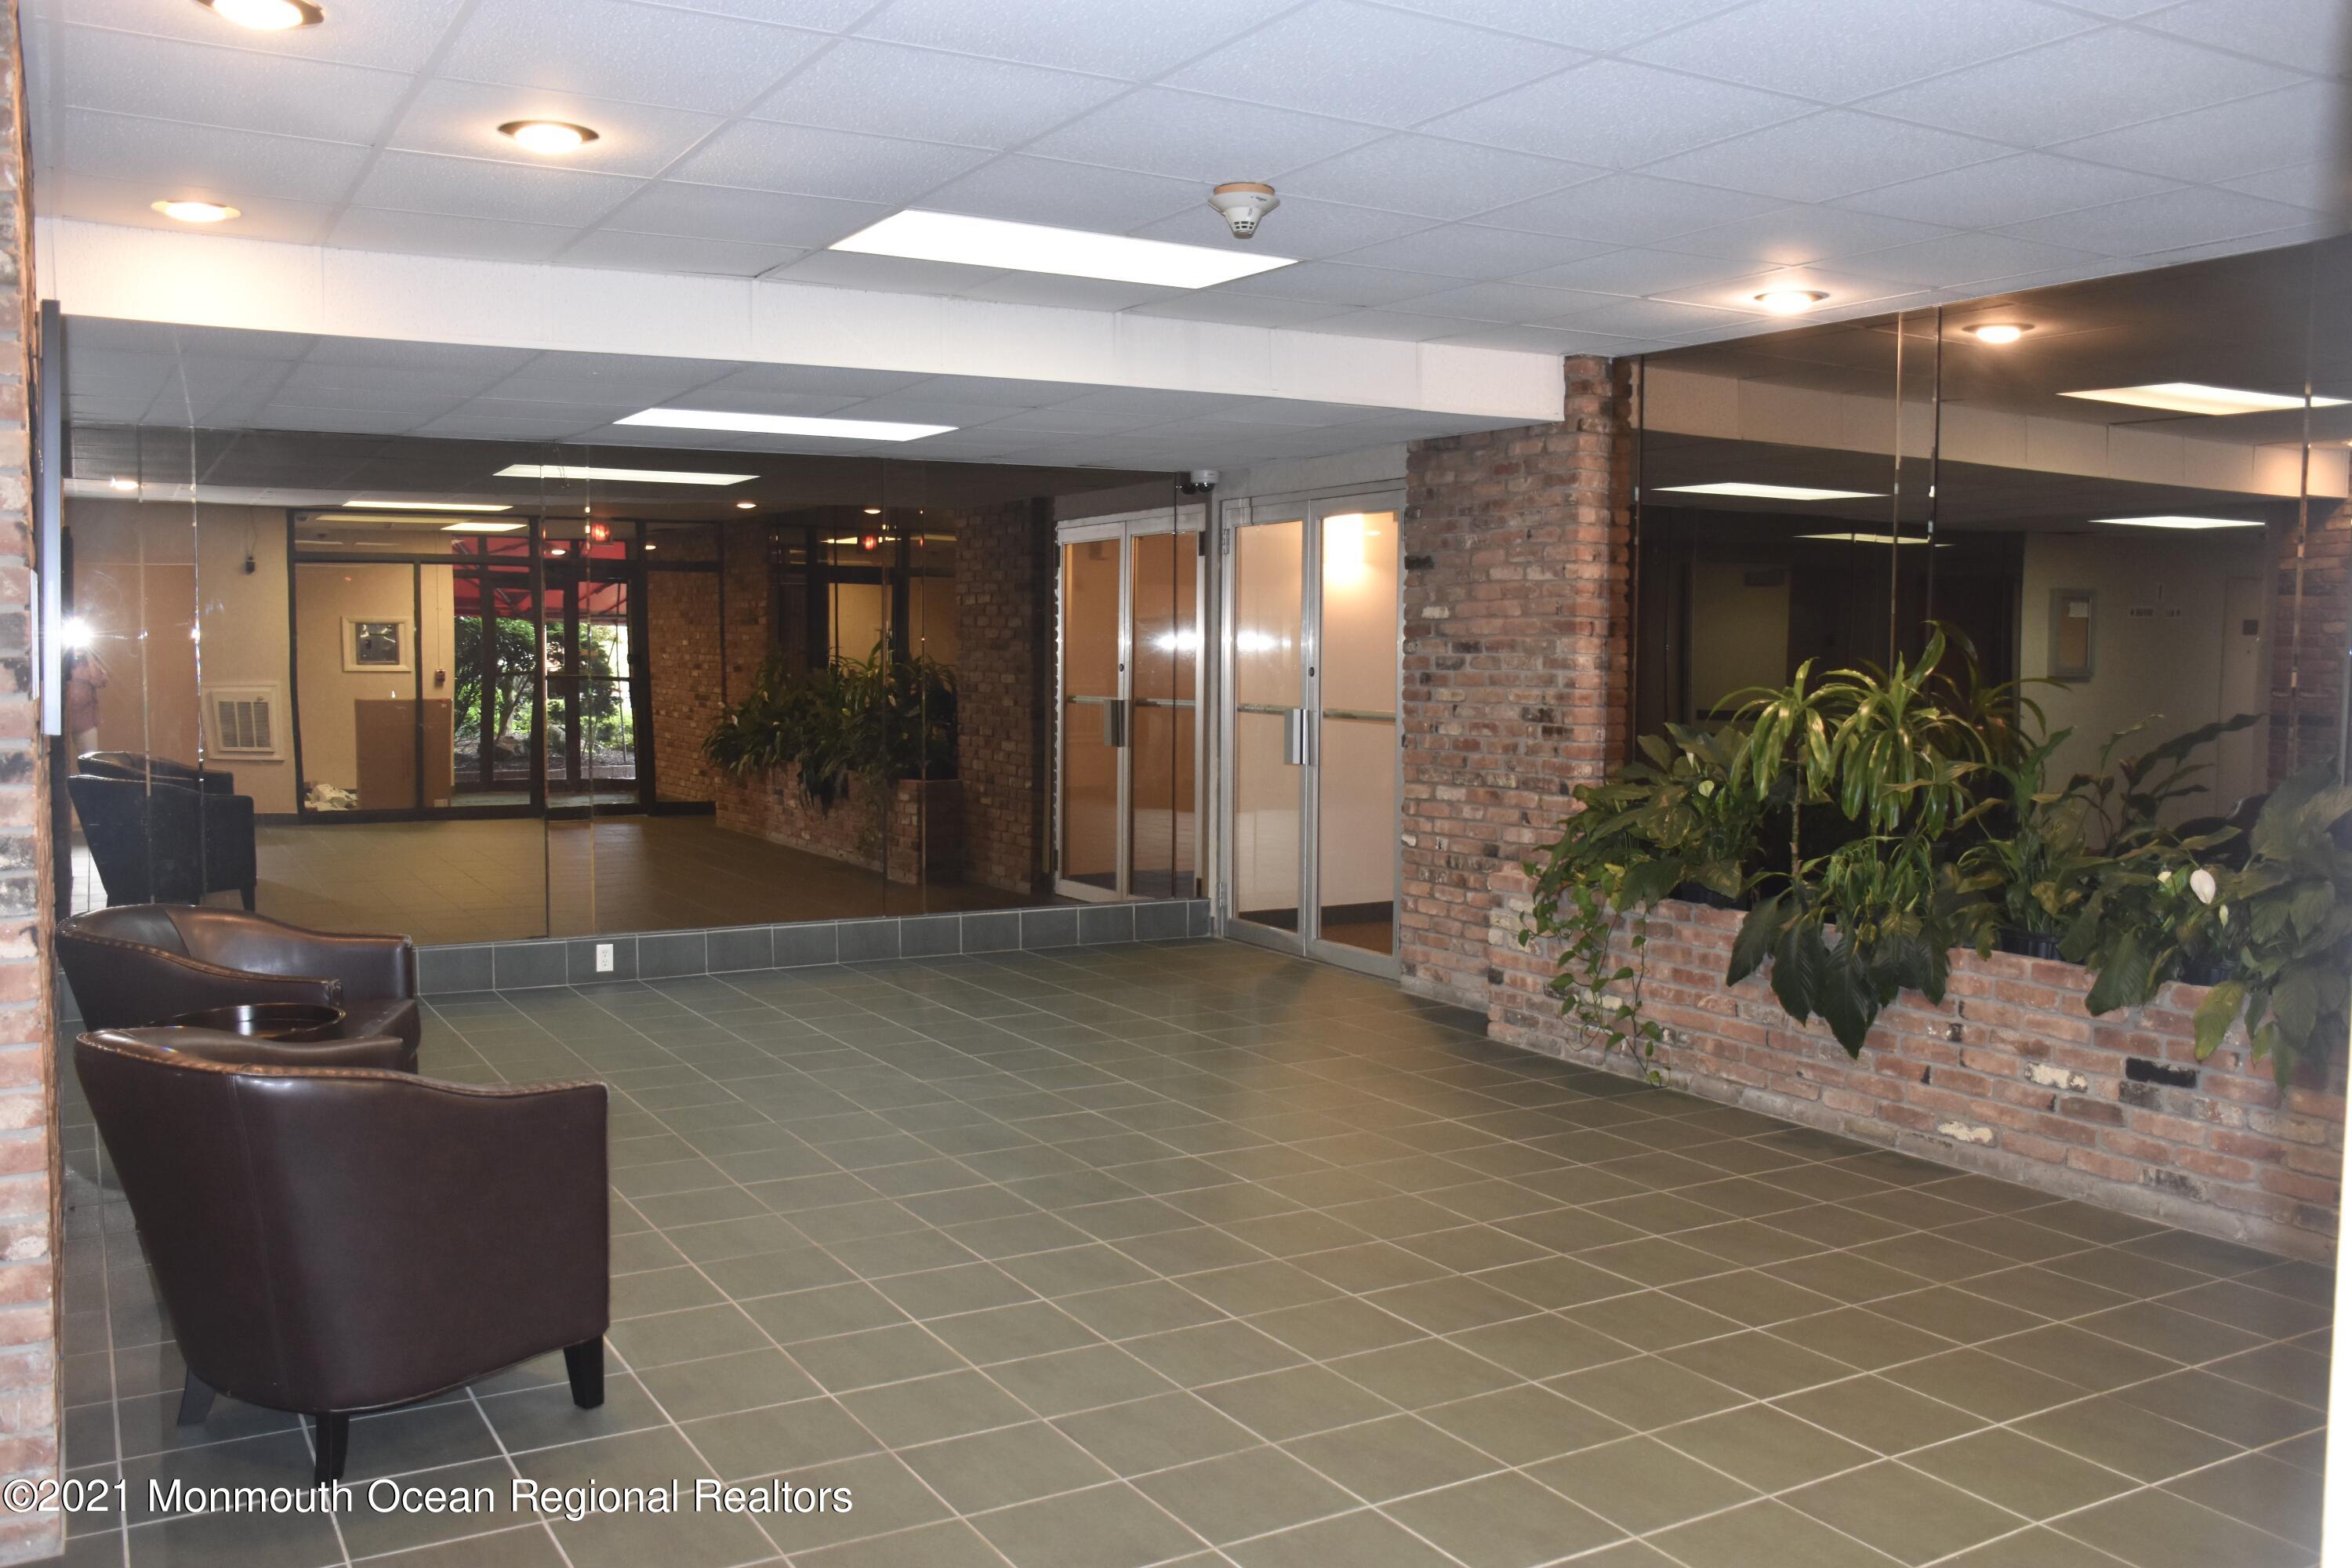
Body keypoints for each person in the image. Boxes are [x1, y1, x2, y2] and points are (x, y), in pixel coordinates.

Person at [64, 647, 107, 759]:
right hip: (60, 721)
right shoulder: (61, 656)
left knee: (91, 762)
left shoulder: (89, 661)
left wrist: (89, 655)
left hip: (85, 721)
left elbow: (99, 681)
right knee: (58, 762)